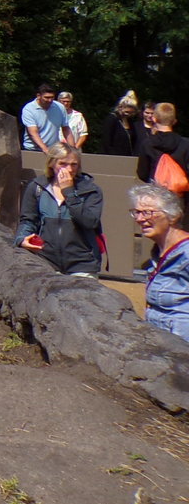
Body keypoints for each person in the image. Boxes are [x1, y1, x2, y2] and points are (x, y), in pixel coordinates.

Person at [16, 143, 103, 276]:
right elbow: (28, 220)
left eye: (73, 164)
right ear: (52, 163)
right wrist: (22, 239)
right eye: (63, 163)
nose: (68, 169)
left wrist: (68, 191)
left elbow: (90, 222)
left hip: (82, 263)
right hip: (46, 261)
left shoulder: (91, 190)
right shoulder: (37, 187)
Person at [128, 182, 189, 341]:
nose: (140, 219)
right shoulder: (158, 252)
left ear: (173, 216)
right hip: (160, 339)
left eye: (148, 212)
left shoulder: (186, 252)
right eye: (137, 212)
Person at [136, 103, 189, 185]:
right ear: (174, 121)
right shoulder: (185, 144)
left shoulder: (147, 144)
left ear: (154, 119)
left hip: (156, 192)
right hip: (180, 193)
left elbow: (142, 174)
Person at [20, 83, 73, 154]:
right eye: (47, 97)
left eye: (52, 97)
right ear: (38, 96)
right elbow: (33, 132)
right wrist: (45, 149)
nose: (50, 100)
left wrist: (72, 149)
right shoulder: (29, 109)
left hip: (54, 149)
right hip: (33, 150)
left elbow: (66, 129)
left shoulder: (60, 107)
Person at [100, 91, 142, 156]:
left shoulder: (130, 122)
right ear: (120, 107)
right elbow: (106, 141)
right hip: (113, 156)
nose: (128, 114)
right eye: (127, 112)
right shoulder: (112, 119)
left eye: (131, 113)